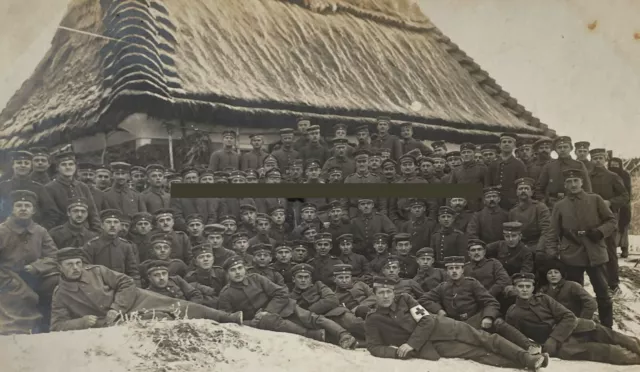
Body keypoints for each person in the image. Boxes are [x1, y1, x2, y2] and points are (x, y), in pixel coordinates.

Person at [364, 277, 549, 370]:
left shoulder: (405, 299)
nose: (386, 296)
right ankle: (522, 365)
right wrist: (397, 352)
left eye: (388, 291)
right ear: (375, 294)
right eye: (381, 292)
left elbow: (426, 320)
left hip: (443, 326)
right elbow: (374, 346)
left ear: (393, 292)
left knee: (487, 339)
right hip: (431, 346)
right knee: (476, 353)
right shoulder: (373, 318)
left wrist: (410, 343)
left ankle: (527, 358)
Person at [50, 247, 243, 331]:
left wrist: (116, 307)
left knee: (179, 305)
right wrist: (81, 322)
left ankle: (227, 317)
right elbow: (57, 325)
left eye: (78, 263)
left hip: (132, 300)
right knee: (160, 320)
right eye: (69, 265)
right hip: (111, 323)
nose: (76, 268)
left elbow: (126, 282)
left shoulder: (97, 271)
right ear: (60, 267)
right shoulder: (61, 294)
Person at [506, 273, 640, 365]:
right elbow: (516, 337)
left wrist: (554, 337)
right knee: (610, 352)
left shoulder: (544, 299)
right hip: (564, 346)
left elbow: (568, 316)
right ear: (515, 288)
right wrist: (541, 346)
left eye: (527, 286)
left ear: (533, 287)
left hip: (577, 328)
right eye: (520, 286)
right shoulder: (513, 313)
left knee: (619, 338)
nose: (524, 290)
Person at [547, 168, 616, 328]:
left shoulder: (595, 199)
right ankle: (576, 325)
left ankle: (607, 328)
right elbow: (552, 232)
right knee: (574, 294)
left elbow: (611, 221)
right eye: (569, 182)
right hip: (571, 255)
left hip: (595, 253)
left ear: (582, 182)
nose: (573, 185)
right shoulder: (560, 205)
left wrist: (599, 232)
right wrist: (552, 254)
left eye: (576, 181)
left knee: (603, 293)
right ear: (564, 185)